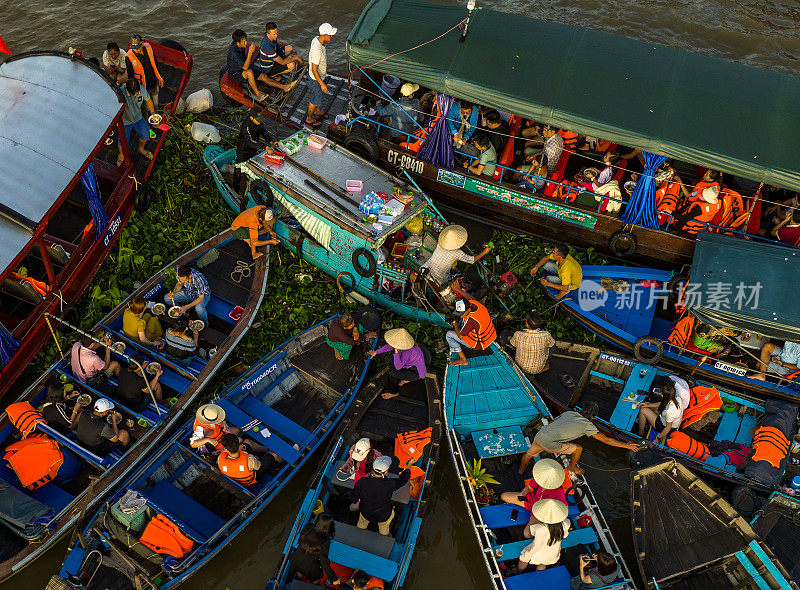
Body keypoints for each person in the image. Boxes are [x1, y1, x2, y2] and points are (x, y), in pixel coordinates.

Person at [519, 403, 639, 475]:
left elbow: (552, 422)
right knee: (579, 449)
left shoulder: (569, 413)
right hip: (551, 444)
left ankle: (521, 469)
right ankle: (572, 467)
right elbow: (606, 440)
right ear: (592, 417)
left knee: (529, 453)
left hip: (541, 434)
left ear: (581, 410)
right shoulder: (588, 425)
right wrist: (626, 445)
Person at [350, 455, 410, 536]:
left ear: (373, 469)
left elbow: (353, 497)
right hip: (383, 515)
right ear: (386, 472)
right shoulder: (390, 484)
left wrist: (355, 504)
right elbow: (404, 479)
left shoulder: (362, 482)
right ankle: (384, 536)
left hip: (366, 512)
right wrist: (408, 466)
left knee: (362, 522)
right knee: (384, 527)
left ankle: (359, 530)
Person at [421, 224, 492, 287]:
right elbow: (472, 260)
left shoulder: (440, 243)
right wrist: (484, 252)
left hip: (425, 269)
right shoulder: (457, 253)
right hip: (438, 280)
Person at [512, 499, 570, 574]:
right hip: (553, 554)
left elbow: (537, 547)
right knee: (543, 564)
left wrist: (525, 556)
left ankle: (519, 572)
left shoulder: (540, 529)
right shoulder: (565, 523)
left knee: (523, 559)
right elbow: (565, 535)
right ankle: (538, 575)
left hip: (539, 553)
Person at [367, 328, 428, 400]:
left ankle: (394, 392)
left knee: (393, 373)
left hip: (416, 371)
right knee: (389, 359)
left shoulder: (408, 351)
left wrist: (396, 352)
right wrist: (376, 352)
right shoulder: (404, 343)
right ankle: (400, 377)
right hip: (408, 364)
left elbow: (398, 367)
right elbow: (389, 347)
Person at [234, 107, 279, 202]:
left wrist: (271, 142)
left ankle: (248, 186)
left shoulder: (259, 123)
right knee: (239, 169)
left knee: (249, 169)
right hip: (243, 150)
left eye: (260, 120)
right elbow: (250, 141)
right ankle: (237, 190)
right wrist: (265, 147)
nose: (259, 122)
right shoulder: (245, 126)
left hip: (253, 150)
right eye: (258, 120)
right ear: (251, 118)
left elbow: (264, 132)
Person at [289, 513, 342, 584]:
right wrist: (334, 579)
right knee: (316, 581)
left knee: (299, 572)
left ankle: (299, 581)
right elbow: (324, 561)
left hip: (297, 559)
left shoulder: (308, 526)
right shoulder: (325, 540)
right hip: (310, 567)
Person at [500, 458, 567, 512]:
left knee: (529, 528)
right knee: (504, 496)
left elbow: (564, 508)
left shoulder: (558, 491)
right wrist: (522, 494)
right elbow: (529, 488)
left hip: (540, 510)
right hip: (529, 500)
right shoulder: (539, 479)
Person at [251, 22, 302, 93]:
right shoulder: (267, 47)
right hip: (269, 67)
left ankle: (279, 70)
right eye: (274, 34)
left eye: (277, 33)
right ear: (267, 34)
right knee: (292, 65)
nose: (276, 36)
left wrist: (291, 50)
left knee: (289, 48)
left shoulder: (270, 38)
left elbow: (279, 42)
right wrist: (295, 57)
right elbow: (282, 62)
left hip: (274, 59)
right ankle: (273, 75)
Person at [446, 298, 497, 367]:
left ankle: (463, 359)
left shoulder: (470, 320)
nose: (461, 315)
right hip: (491, 335)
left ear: (469, 309)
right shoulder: (475, 303)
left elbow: (460, 336)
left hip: (479, 343)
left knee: (449, 335)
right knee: (462, 321)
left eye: (462, 313)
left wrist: (455, 324)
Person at [117, 78, 156, 167]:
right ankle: (121, 154)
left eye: (136, 94)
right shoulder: (120, 92)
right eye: (133, 94)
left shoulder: (142, 89)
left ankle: (141, 149)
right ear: (127, 90)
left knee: (146, 135)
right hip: (124, 121)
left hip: (138, 118)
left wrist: (153, 114)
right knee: (122, 141)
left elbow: (148, 100)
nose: (135, 96)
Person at [305, 23, 337, 128]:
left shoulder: (316, 39)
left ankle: (317, 111)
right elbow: (314, 70)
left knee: (317, 97)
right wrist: (322, 84)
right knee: (314, 99)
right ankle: (309, 118)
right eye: (330, 34)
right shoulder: (317, 50)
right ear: (324, 35)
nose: (331, 36)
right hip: (315, 79)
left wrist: (325, 66)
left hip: (318, 77)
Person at [226, 29, 266, 102]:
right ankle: (258, 95)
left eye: (245, 40)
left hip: (242, 65)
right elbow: (245, 67)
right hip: (235, 72)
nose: (246, 42)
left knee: (263, 76)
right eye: (244, 41)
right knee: (249, 72)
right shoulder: (234, 53)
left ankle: (283, 86)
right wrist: (250, 53)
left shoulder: (240, 45)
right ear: (238, 43)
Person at [125, 34, 163, 110]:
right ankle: (146, 119)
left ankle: (155, 116)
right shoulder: (129, 57)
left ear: (142, 44)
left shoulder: (148, 48)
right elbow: (130, 75)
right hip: (143, 86)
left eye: (137, 48)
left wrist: (160, 78)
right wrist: (134, 90)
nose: (135, 50)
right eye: (134, 48)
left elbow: (155, 63)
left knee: (155, 103)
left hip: (153, 82)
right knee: (145, 107)